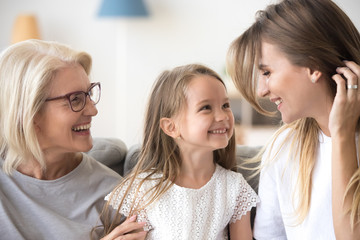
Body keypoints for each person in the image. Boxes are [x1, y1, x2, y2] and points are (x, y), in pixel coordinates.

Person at [226, 0, 360, 239]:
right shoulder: (283, 147)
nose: (261, 91)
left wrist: (342, 136)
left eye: (267, 72)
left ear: (312, 66)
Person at [0, 39, 146, 240]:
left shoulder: (114, 196)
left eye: (89, 94)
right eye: (75, 99)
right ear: (28, 113)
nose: (93, 110)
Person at [101, 64, 259, 239]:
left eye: (225, 105)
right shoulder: (144, 188)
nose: (223, 116)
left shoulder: (234, 187)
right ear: (171, 127)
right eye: (206, 107)